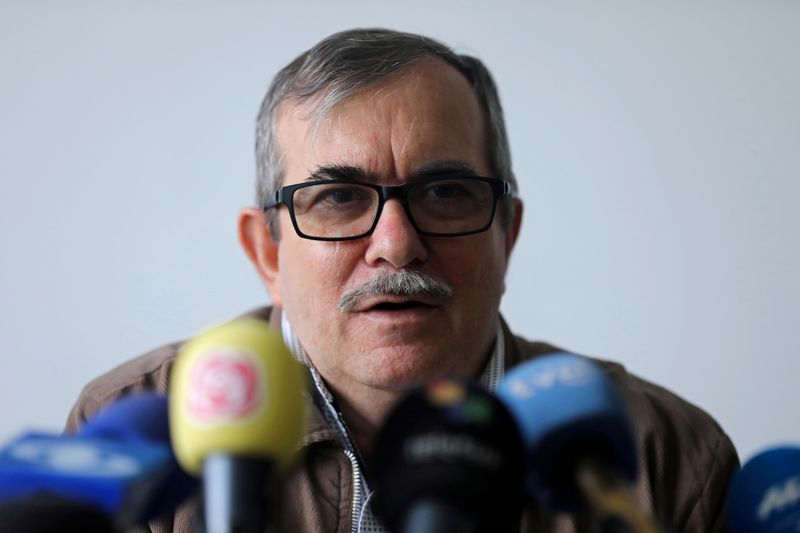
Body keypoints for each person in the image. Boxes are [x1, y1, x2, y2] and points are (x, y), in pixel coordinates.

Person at [66, 28, 738, 532]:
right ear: (267, 251)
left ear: (507, 232)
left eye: (445, 191)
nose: (396, 244)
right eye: (337, 197)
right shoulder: (132, 430)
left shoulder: (667, 456)